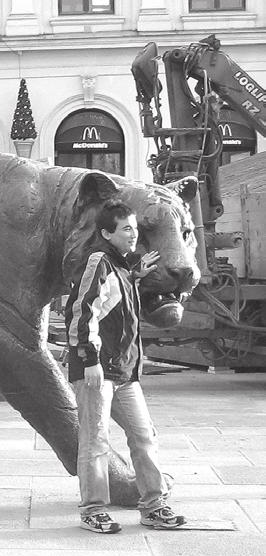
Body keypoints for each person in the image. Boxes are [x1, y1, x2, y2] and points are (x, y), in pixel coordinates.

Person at [65, 201, 186, 534]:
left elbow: (112, 302)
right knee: (95, 442)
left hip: (125, 371)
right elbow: (82, 312)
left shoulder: (120, 267)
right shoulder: (98, 262)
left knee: (144, 436)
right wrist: (89, 361)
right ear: (107, 233)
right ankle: (92, 510)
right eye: (126, 229)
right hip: (98, 371)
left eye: (135, 228)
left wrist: (135, 275)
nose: (134, 235)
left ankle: (153, 505)